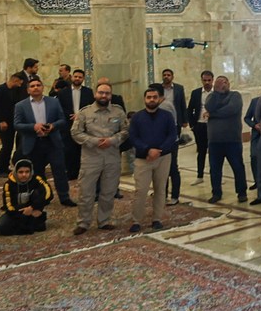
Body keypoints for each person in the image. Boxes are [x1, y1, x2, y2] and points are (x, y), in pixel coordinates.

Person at [71, 80, 128, 234]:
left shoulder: (118, 112)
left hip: (111, 158)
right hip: (91, 158)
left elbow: (125, 131)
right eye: (101, 92)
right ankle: (83, 223)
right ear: (95, 94)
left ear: (111, 95)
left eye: (107, 93)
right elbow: (75, 132)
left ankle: (104, 221)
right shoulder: (85, 112)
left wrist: (112, 140)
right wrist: (93, 141)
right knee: (86, 192)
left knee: (108, 192)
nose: (104, 96)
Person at [13, 78, 74, 206]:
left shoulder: (54, 102)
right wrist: (33, 127)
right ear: (28, 90)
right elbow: (17, 124)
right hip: (34, 143)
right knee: (38, 173)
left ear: (42, 87)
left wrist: (53, 126)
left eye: (38, 85)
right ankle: (43, 196)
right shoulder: (21, 105)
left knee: (59, 171)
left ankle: (64, 197)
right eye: (32, 86)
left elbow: (62, 120)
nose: (35, 87)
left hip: (53, 142)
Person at [127, 84, 179, 232]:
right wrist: (147, 150)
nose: (152, 100)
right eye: (149, 97)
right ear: (144, 99)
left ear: (159, 99)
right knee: (141, 191)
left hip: (163, 158)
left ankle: (157, 219)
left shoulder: (166, 116)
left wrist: (159, 150)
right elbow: (133, 137)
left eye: (154, 97)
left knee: (160, 189)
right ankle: (137, 220)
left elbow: (172, 135)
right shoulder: (137, 117)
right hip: (143, 159)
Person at [203, 75, 247, 204]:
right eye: (219, 83)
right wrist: (217, 92)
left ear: (228, 83)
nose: (223, 85)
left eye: (225, 82)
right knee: (215, 169)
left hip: (232, 140)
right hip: (215, 141)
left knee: (237, 167)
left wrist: (212, 114)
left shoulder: (235, 96)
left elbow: (231, 110)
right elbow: (209, 107)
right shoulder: (211, 97)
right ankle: (216, 193)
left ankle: (242, 192)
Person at [57, 69, 95, 186]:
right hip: (68, 124)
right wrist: (71, 116)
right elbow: (60, 108)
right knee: (69, 149)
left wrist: (80, 115)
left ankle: (81, 172)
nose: (77, 78)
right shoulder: (63, 93)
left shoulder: (88, 92)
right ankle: (71, 172)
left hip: (84, 124)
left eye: (80, 77)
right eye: (76, 76)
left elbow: (91, 107)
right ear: (72, 77)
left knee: (81, 149)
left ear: (83, 79)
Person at [0, 161, 52, 235]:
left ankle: (29, 223)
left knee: (37, 193)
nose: (24, 175)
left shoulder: (37, 179)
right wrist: (24, 213)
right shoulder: (8, 184)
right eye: (21, 172)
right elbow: (8, 206)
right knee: (1, 227)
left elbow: (48, 194)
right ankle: (28, 224)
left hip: (33, 209)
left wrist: (32, 207)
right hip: (16, 212)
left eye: (27, 172)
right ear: (16, 172)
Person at [156, 68, 186, 204]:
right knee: (163, 167)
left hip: (170, 139)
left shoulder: (166, 106)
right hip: (163, 139)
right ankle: (163, 193)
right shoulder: (158, 105)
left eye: (168, 75)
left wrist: (184, 120)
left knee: (172, 166)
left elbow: (181, 106)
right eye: (164, 75)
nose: (166, 77)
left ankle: (174, 196)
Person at [0, 70, 26, 177]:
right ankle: (0, 170)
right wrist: (1, 120)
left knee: (9, 145)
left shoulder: (14, 91)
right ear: (14, 80)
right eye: (19, 83)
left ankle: (5, 167)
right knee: (6, 145)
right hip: (1, 122)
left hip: (11, 121)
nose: (20, 85)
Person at [187, 70, 213, 183]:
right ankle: (200, 176)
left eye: (209, 80)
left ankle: (215, 175)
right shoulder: (196, 93)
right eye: (204, 80)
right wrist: (192, 125)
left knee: (214, 152)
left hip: (213, 126)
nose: (207, 82)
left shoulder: (217, 93)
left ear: (212, 80)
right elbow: (190, 109)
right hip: (200, 125)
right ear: (201, 80)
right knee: (201, 151)